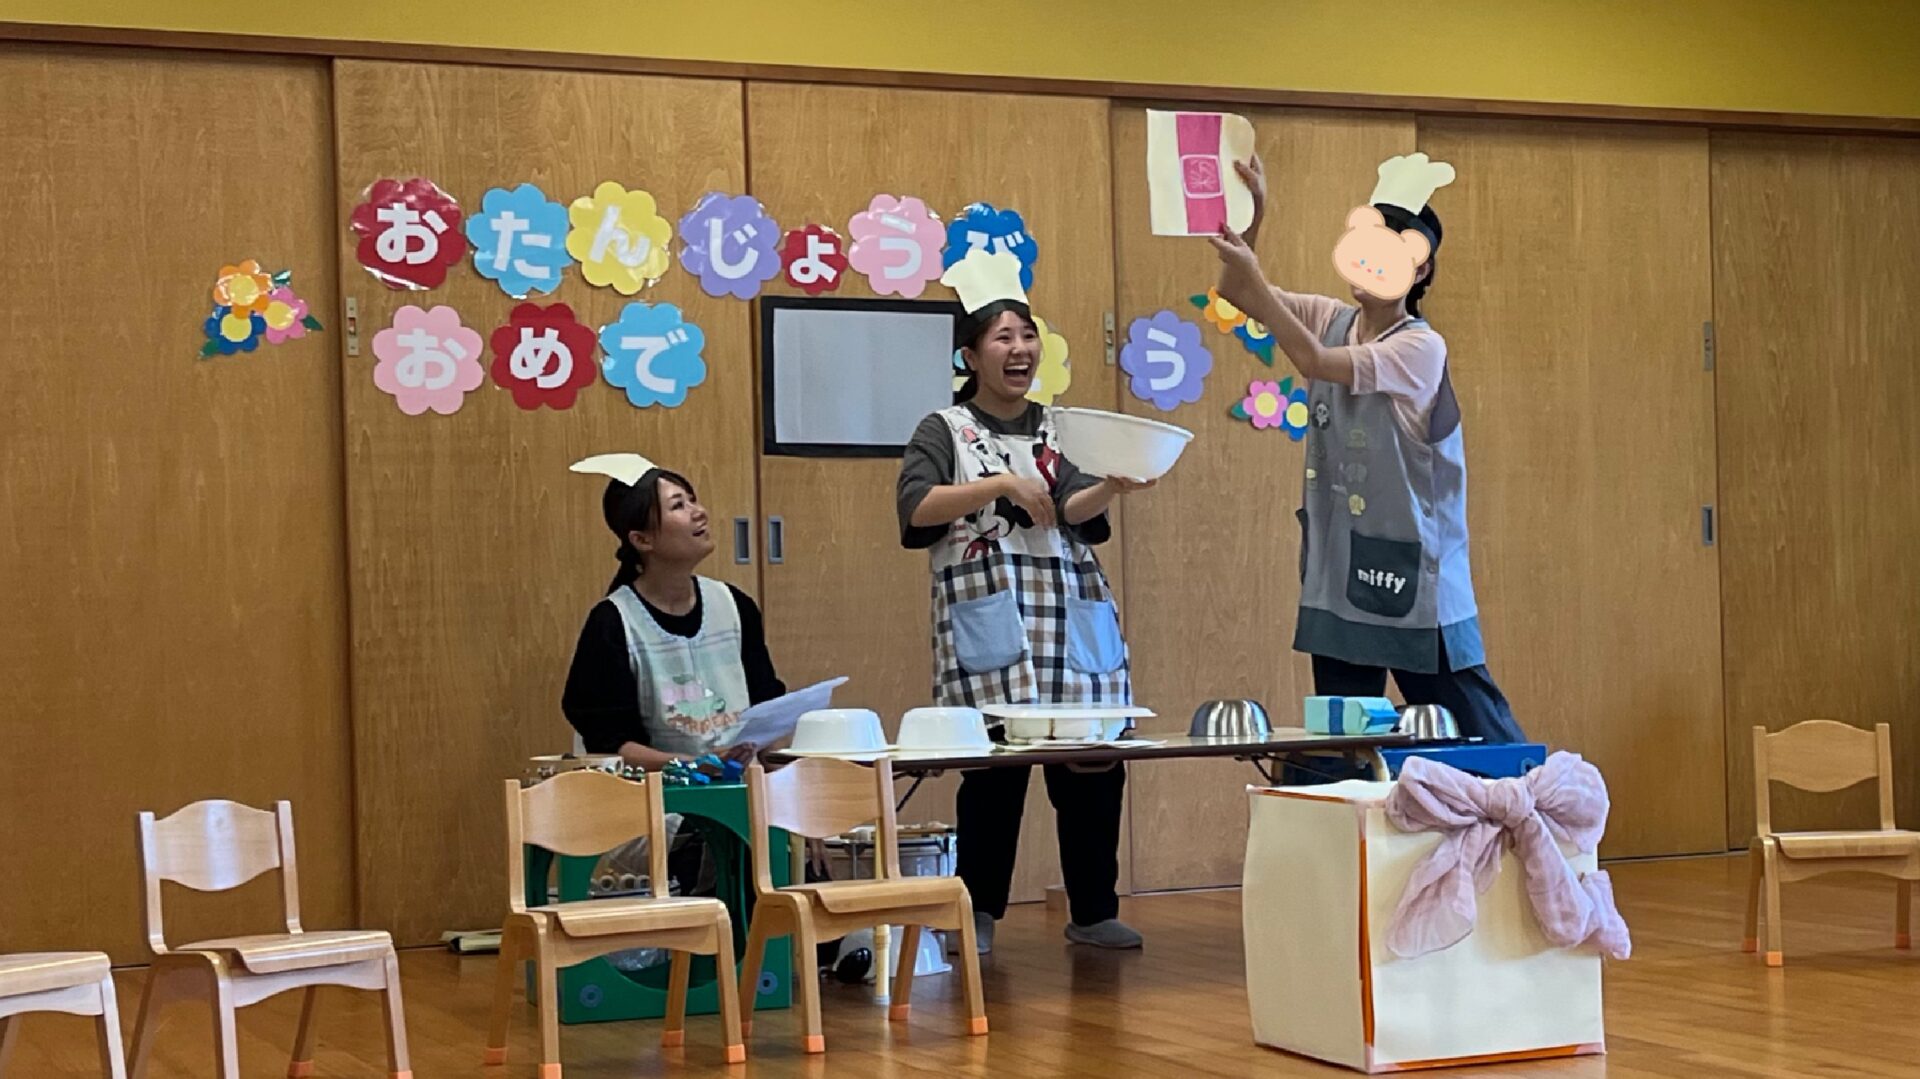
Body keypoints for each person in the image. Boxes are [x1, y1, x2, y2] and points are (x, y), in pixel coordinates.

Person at [1206, 152, 1524, 745]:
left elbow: (1314, 362)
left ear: (1420, 271)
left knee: (1481, 742)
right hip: (1340, 573)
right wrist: (1254, 218)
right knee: (1345, 745)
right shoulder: (1330, 318)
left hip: (1417, 582)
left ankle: (1542, 803)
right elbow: (1236, 293)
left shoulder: (1420, 348)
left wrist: (1252, 269)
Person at [896, 250, 1154, 953]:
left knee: (1092, 762)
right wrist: (1002, 485)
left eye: (1028, 334)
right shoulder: (943, 430)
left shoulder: (1060, 426)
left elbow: (1072, 507)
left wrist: (1113, 486)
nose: (1020, 349)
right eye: (1003, 337)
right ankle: (977, 910)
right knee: (994, 773)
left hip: (1071, 613)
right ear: (970, 355)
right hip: (989, 616)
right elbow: (917, 508)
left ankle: (1093, 909)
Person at [562, 453, 786, 899]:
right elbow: (610, 743)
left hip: (741, 793)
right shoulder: (613, 622)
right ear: (642, 539)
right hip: (658, 805)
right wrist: (691, 766)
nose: (699, 512)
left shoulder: (734, 606)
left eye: (693, 500)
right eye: (679, 505)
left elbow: (768, 705)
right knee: (720, 848)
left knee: (797, 842)